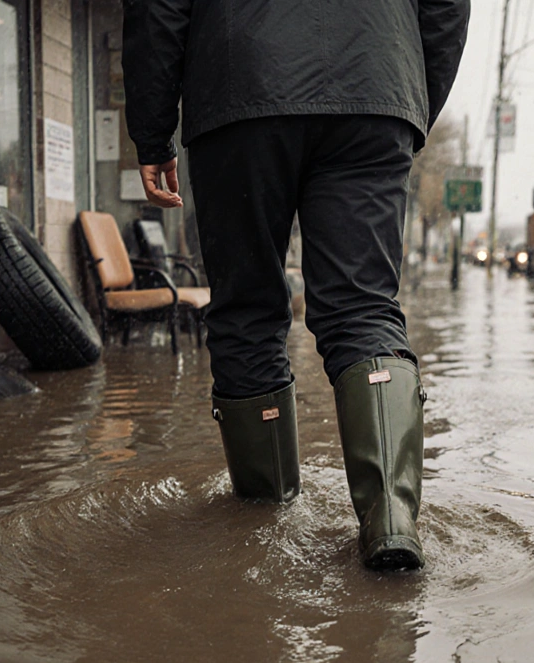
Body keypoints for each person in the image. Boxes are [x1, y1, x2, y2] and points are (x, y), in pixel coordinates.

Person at [123, 0, 470, 570]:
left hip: (240, 87)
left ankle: (263, 525)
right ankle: (390, 520)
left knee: (248, 312)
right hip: (376, 84)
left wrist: (153, 132)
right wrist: (407, 97)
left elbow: (160, 7)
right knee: (363, 309)